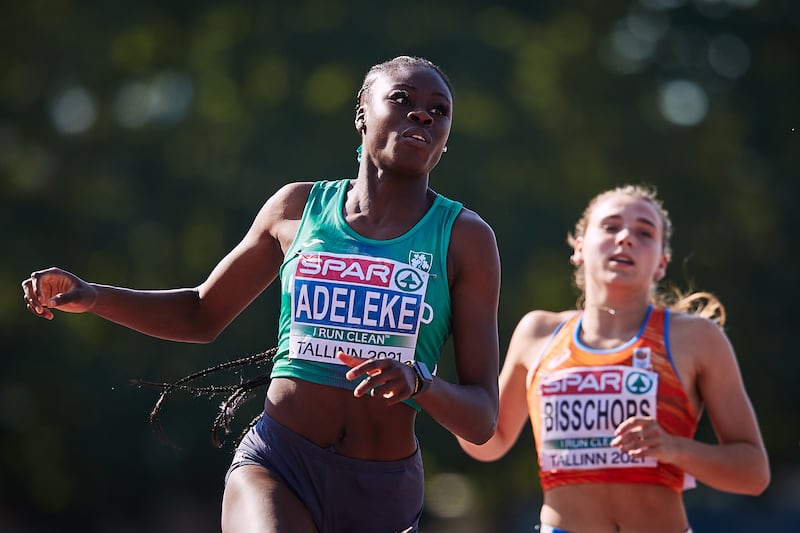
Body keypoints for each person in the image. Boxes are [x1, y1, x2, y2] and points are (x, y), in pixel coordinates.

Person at [21, 55, 501, 533]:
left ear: (445, 140)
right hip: (279, 464)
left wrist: (420, 380)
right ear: (361, 115)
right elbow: (199, 314)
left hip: (382, 491)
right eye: (401, 99)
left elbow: (481, 419)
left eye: (439, 111)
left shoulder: (464, 238)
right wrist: (94, 296)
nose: (422, 114)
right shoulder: (296, 208)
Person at [458, 185, 769, 533]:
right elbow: (490, 442)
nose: (626, 238)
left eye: (645, 232)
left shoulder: (697, 337)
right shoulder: (538, 332)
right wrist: (441, 390)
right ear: (579, 248)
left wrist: (673, 448)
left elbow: (754, 474)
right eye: (610, 226)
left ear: (661, 264)